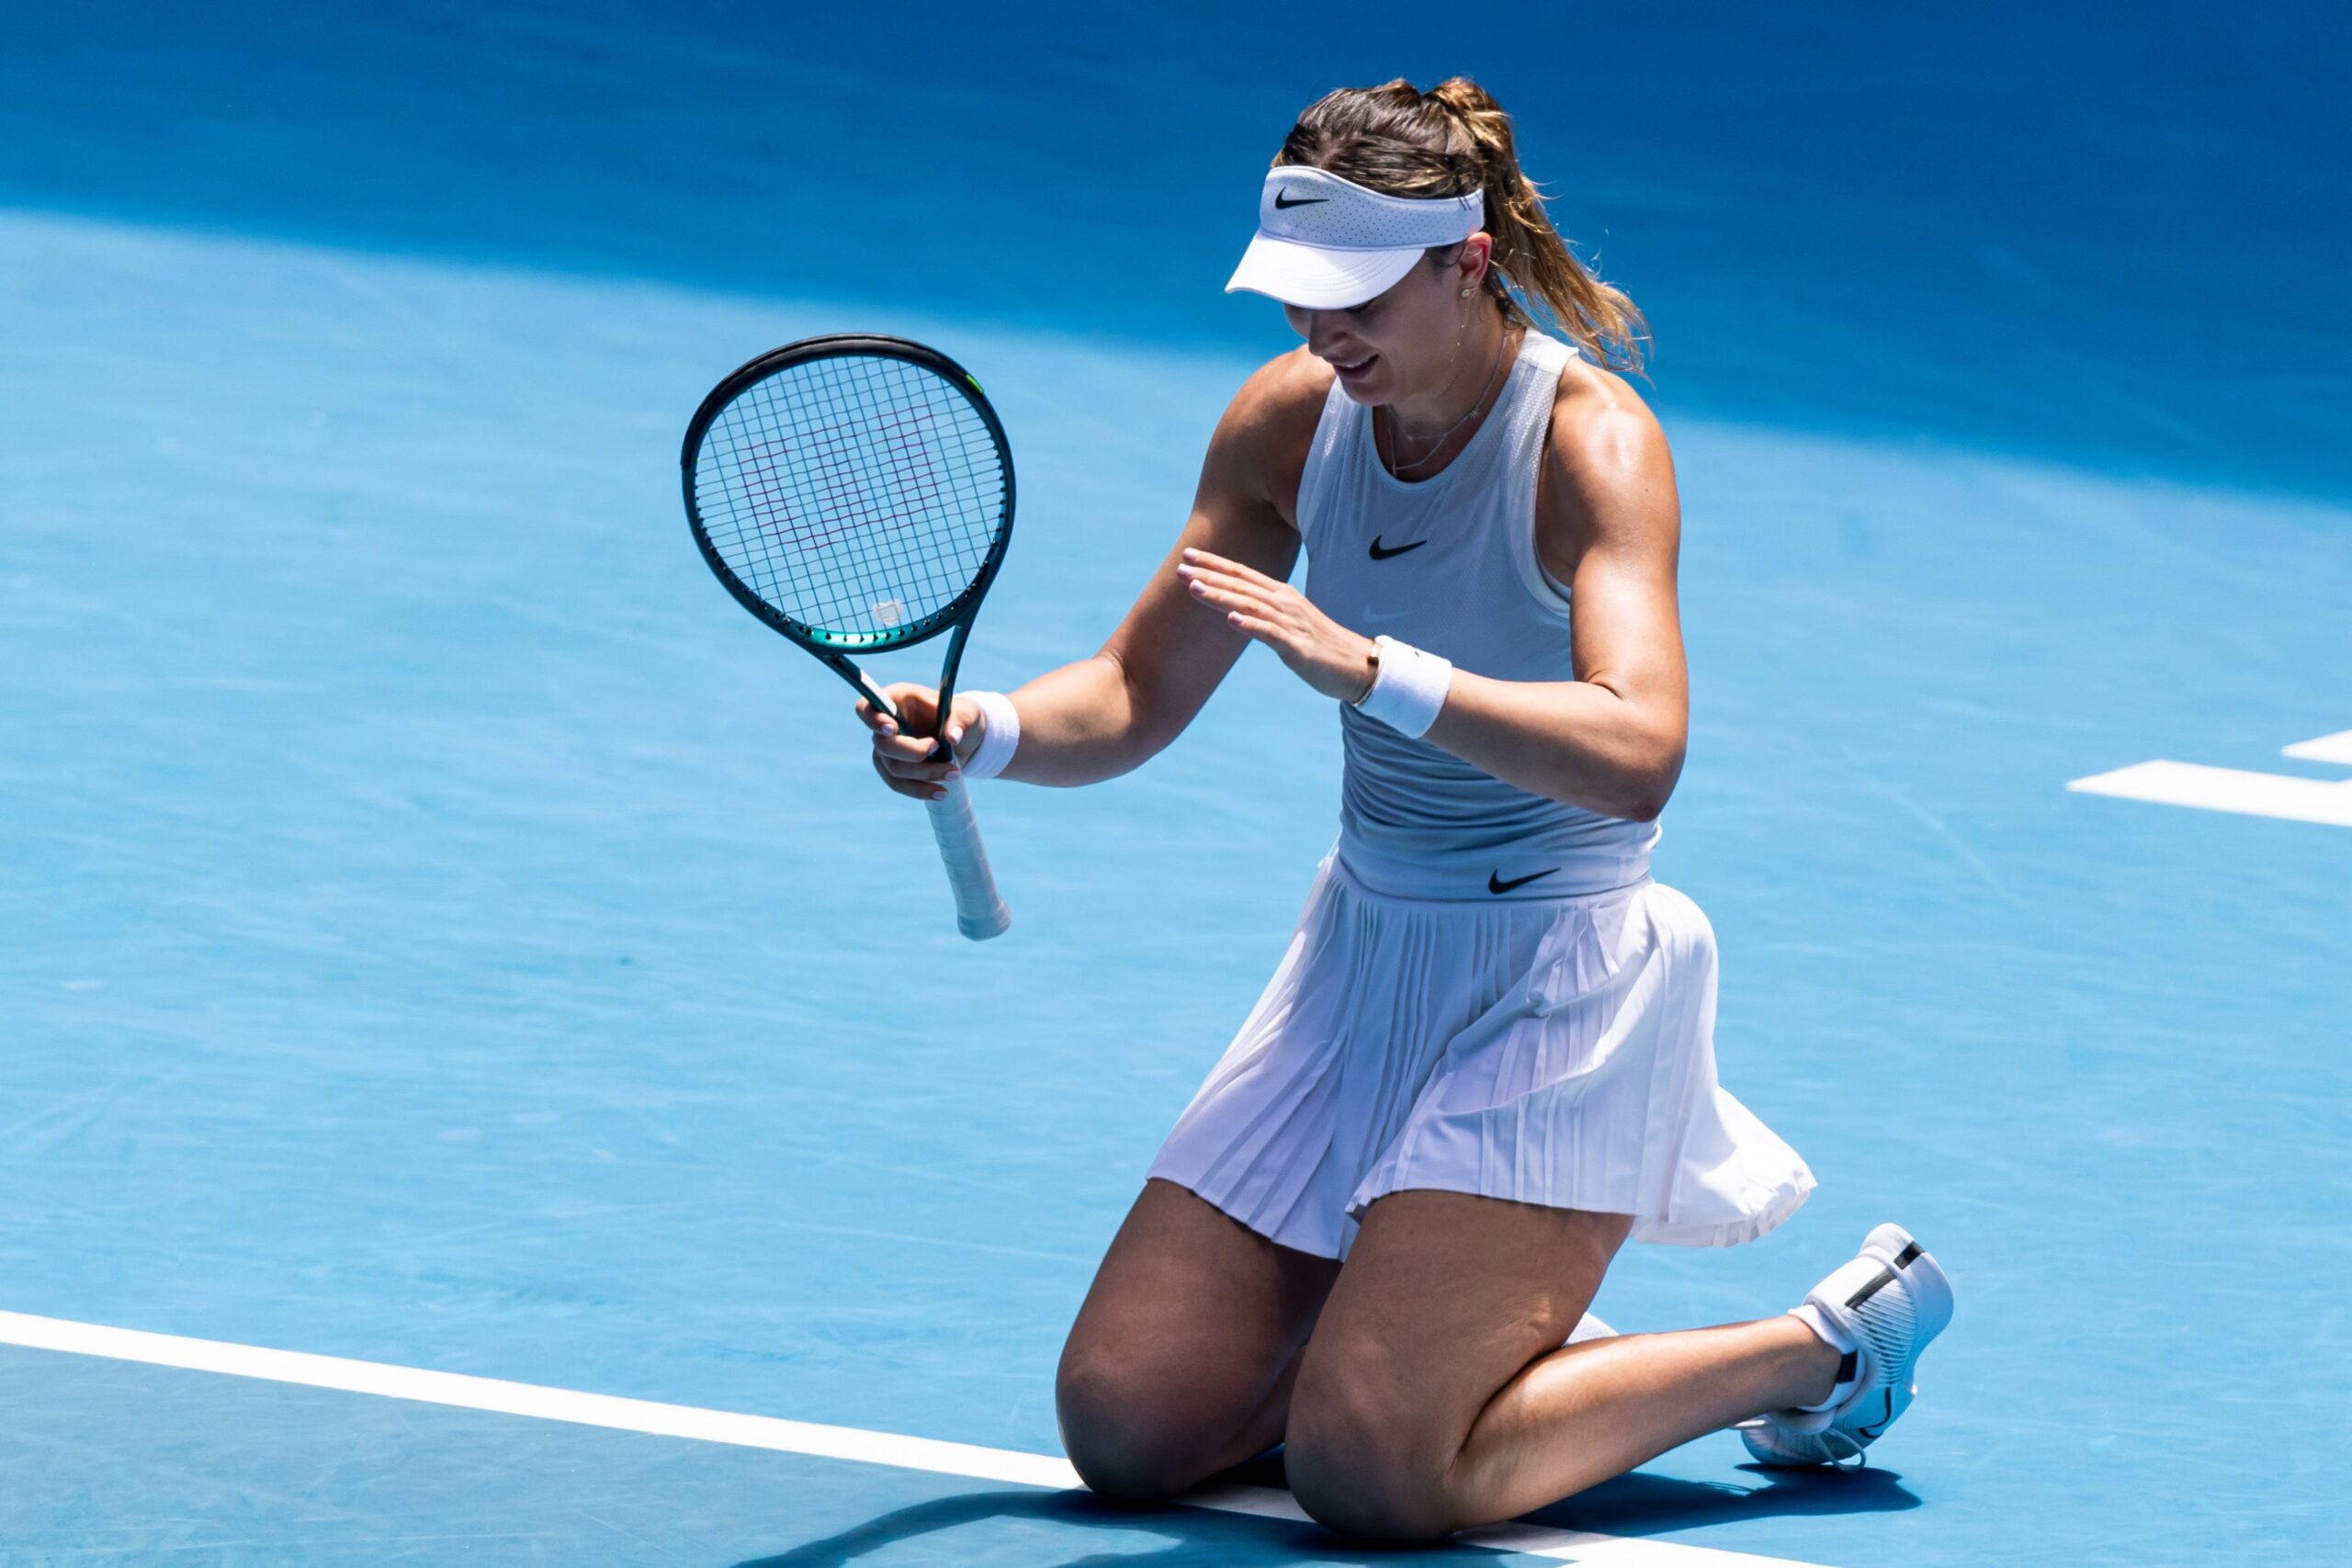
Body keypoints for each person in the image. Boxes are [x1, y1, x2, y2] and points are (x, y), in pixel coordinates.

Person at [859, 76, 1952, 1543]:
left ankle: (1819, 1347)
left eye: (1359, 293)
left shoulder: (1591, 445)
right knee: (1128, 1426)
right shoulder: (1286, 423)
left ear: (1468, 263)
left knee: (1372, 1480)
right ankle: (1459, 1357)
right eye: (1299, 296)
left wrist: (1378, 671)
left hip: (1556, 985)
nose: (1324, 331)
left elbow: (1640, 750)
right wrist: (976, 730)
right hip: (1359, 963)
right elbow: (1129, 696)